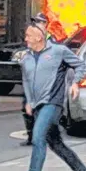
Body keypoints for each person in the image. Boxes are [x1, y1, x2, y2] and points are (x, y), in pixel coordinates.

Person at [19, 24, 86, 171]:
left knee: (38, 137)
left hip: (53, 103)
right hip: (38, 105)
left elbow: (80, 66)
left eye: (28, 35)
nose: (25, 38)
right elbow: (26, 80)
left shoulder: (58, 51)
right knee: (55, 143)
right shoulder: (26, 58)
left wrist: (75, 82)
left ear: (39, 37)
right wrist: (29, 101)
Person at [20, 13, 56, 146]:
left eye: (39, 22)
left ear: (45, 24)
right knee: (27, 107)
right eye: (34, 22)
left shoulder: (51, 41)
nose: (36, 24)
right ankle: (31, 136)